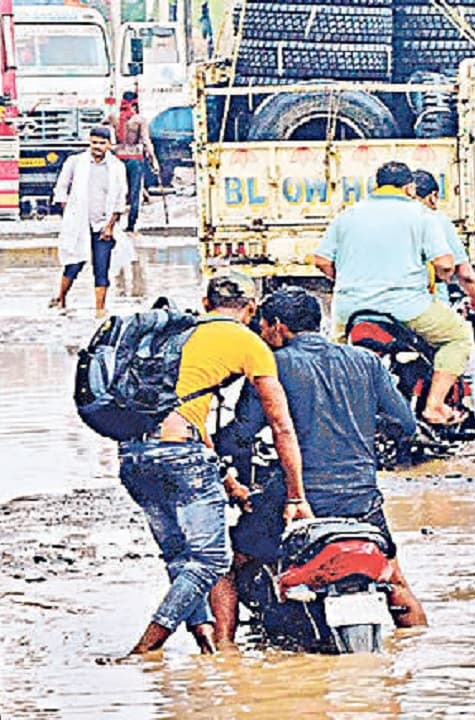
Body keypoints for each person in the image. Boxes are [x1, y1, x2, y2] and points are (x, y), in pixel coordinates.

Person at [211, 287, 428, 646]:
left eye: (262, 328)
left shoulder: (273, 365)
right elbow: (405, 424)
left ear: (277, 327)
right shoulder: (366, 360)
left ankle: (223, 657)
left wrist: (211, 446)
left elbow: (243, 432)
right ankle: (419, 651)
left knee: (226, 565)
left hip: (299, 502)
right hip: (361, 501)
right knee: (395, 583)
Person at [118, 274, 311, 655]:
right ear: (252, 310)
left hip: (133, 454)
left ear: (205, 303)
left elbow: (192, 421)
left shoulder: (176, 334)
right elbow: (281, 426)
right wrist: (295, 494)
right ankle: (146, 649)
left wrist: (228, 484)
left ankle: (208, 647)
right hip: (180, 455)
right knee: (212, 559)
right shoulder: (249, 343)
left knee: (179, 556)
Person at [311, 161, 474, 427]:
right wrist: (442, 277)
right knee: (457, 337)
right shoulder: (422, 215)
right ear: (410, 187)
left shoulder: (348, 215)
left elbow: (321, 260)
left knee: (336, 359)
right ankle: (434, 406)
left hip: (350, 310)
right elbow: (445, 264)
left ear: (377, 185)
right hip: (406, 309)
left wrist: (346, 280)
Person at [409, 169, 475, 456]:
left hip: (367, 312)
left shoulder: (375, 222)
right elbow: (462, 273)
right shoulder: (433, 220)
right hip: (420, 312)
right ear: (433, 196)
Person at [51, 126, 128, 316]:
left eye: (102, 143)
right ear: (89, 142)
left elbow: (120, 200)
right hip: (78, 224)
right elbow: (61, 189)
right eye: (94, 142)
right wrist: (68, 213)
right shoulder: (75, 162)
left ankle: (100, 310)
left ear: (109, 145)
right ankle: (61, 298)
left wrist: (110, 226)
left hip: (103, 225)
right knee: (73, 265)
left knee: (102, 267)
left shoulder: (117, 167)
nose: (97, 147)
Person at [107, 90, 159, 233]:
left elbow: (102, 128)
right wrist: (154, 160)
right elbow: (146, 141)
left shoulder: (113, 117)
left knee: (116, 191)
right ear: (135, 102)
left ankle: (113, 222)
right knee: (134, 192)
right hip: (134, 158)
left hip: (118, 157)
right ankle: (131, 224)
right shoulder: (139, 120)